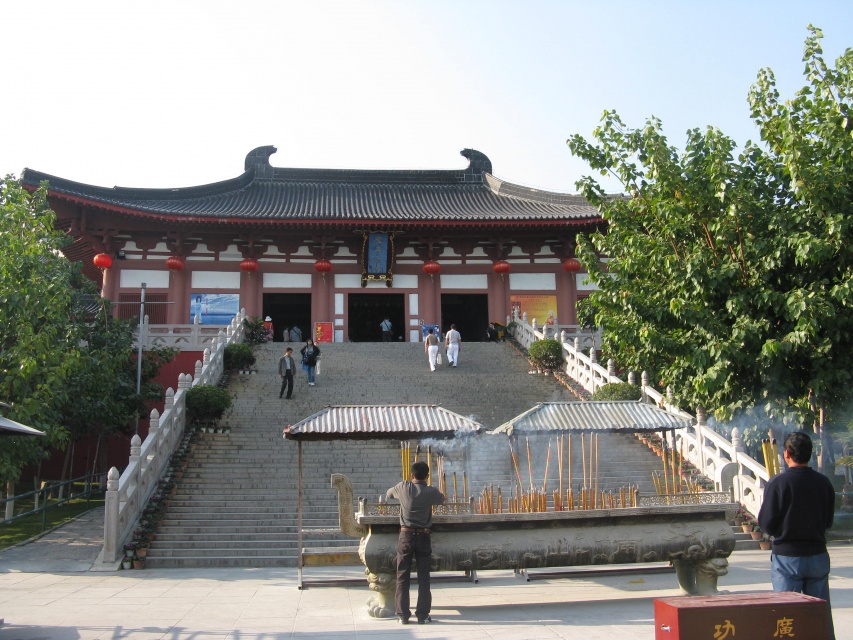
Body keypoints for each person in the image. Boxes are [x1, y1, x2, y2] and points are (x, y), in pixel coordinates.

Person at [758, 431, 836, 639]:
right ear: (809, 454)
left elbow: (766, 524)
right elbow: (828, 522)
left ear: (786, 454)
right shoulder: (824, 483)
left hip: (787, 557)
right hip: (817, 554)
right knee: (819, 615)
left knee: (786, 615)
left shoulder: (778, 483)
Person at [385, 461, 445, 625]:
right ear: (427, 476)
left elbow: (389, 494)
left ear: (412, 475)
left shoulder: (403, 487)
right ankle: (422, 615)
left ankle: (403, 615)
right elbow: (442, 499)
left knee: (402, 575)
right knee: (424, 577)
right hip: (424, 536)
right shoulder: (431, 491)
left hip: (406, 536)